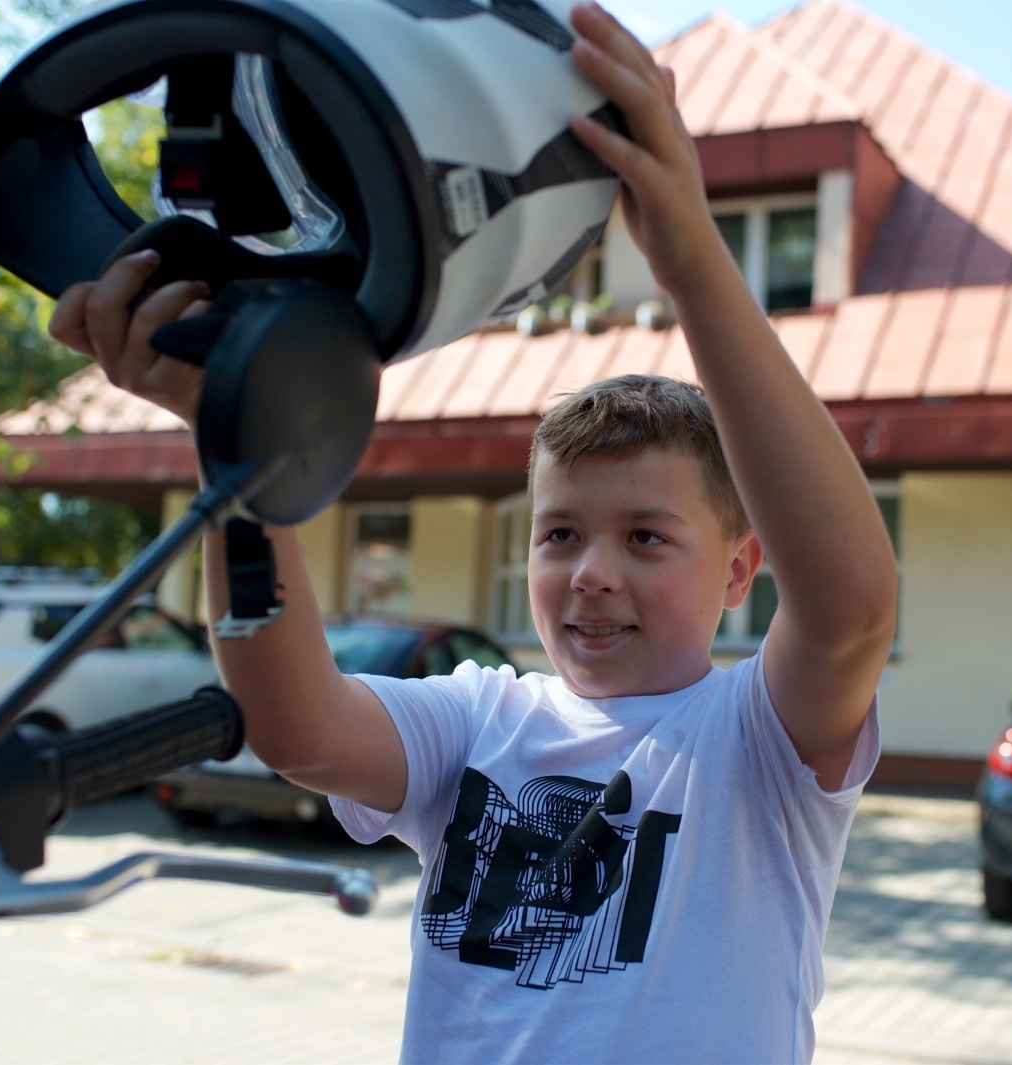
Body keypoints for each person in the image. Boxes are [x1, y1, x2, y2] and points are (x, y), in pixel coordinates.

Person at [48, 3, 898, 1060]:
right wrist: (234, 438)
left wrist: (691, 266)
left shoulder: (755, 739)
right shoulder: (479, 723)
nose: (589, 572)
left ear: (738, 571)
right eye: (556, 536)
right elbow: (296, 727)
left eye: (644, 538)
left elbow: (852, 610)